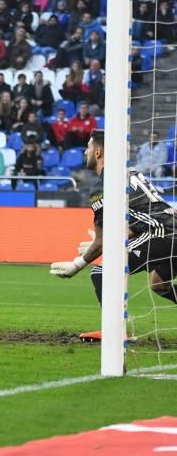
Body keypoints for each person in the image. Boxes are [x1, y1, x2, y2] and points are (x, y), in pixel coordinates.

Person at [50, 130, 176, 340]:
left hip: (162, 233)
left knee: (102, 273)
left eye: (88, 148)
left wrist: (76, 265)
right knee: (159, 284)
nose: (85, 152)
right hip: (171, 227)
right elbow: (135, 222)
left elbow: (100, 244)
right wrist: (108, 241)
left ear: (98, 152)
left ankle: (114, 333)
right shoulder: (131, 172)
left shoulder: (103, 187)